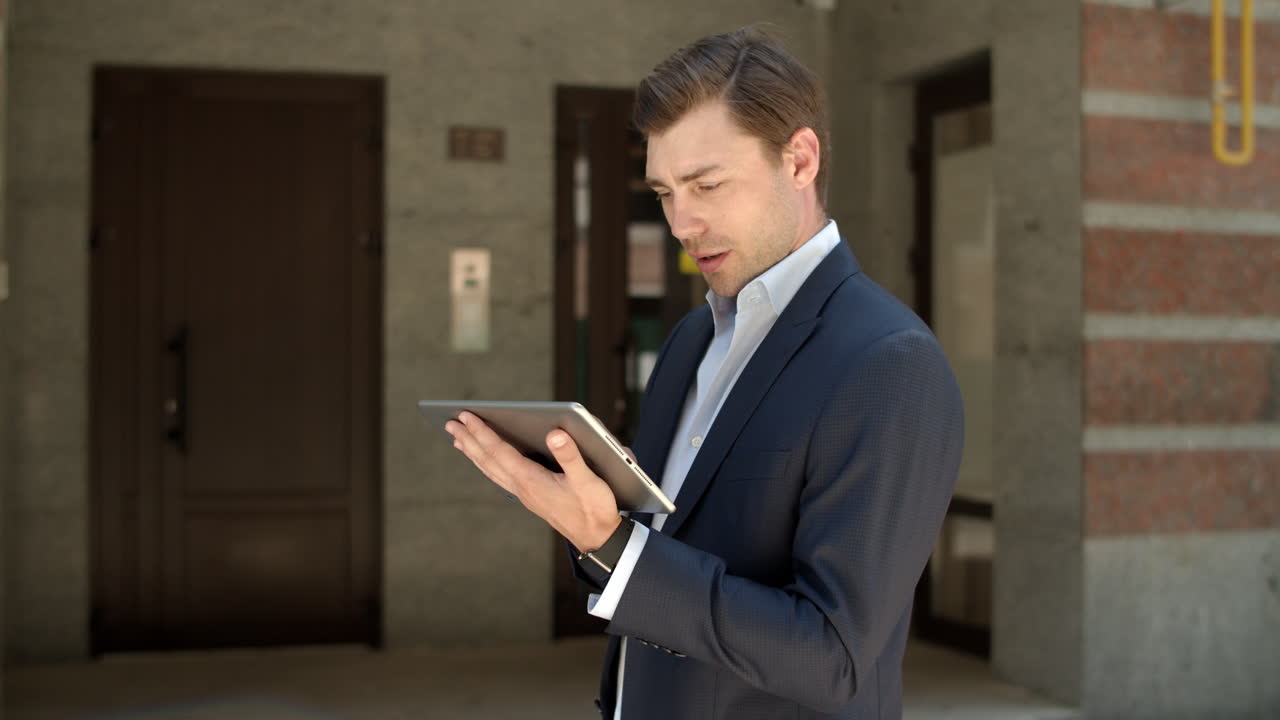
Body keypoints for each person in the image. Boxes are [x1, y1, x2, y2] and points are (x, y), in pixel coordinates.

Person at [445, 25, 964, 720]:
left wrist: (615, 547)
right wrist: (595, 527)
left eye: (707, 184)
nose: (681, 223)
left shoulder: (889, 363)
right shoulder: (693, 339)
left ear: (800, 159)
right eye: (663, 193)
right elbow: (659, 564)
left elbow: (834, 656)